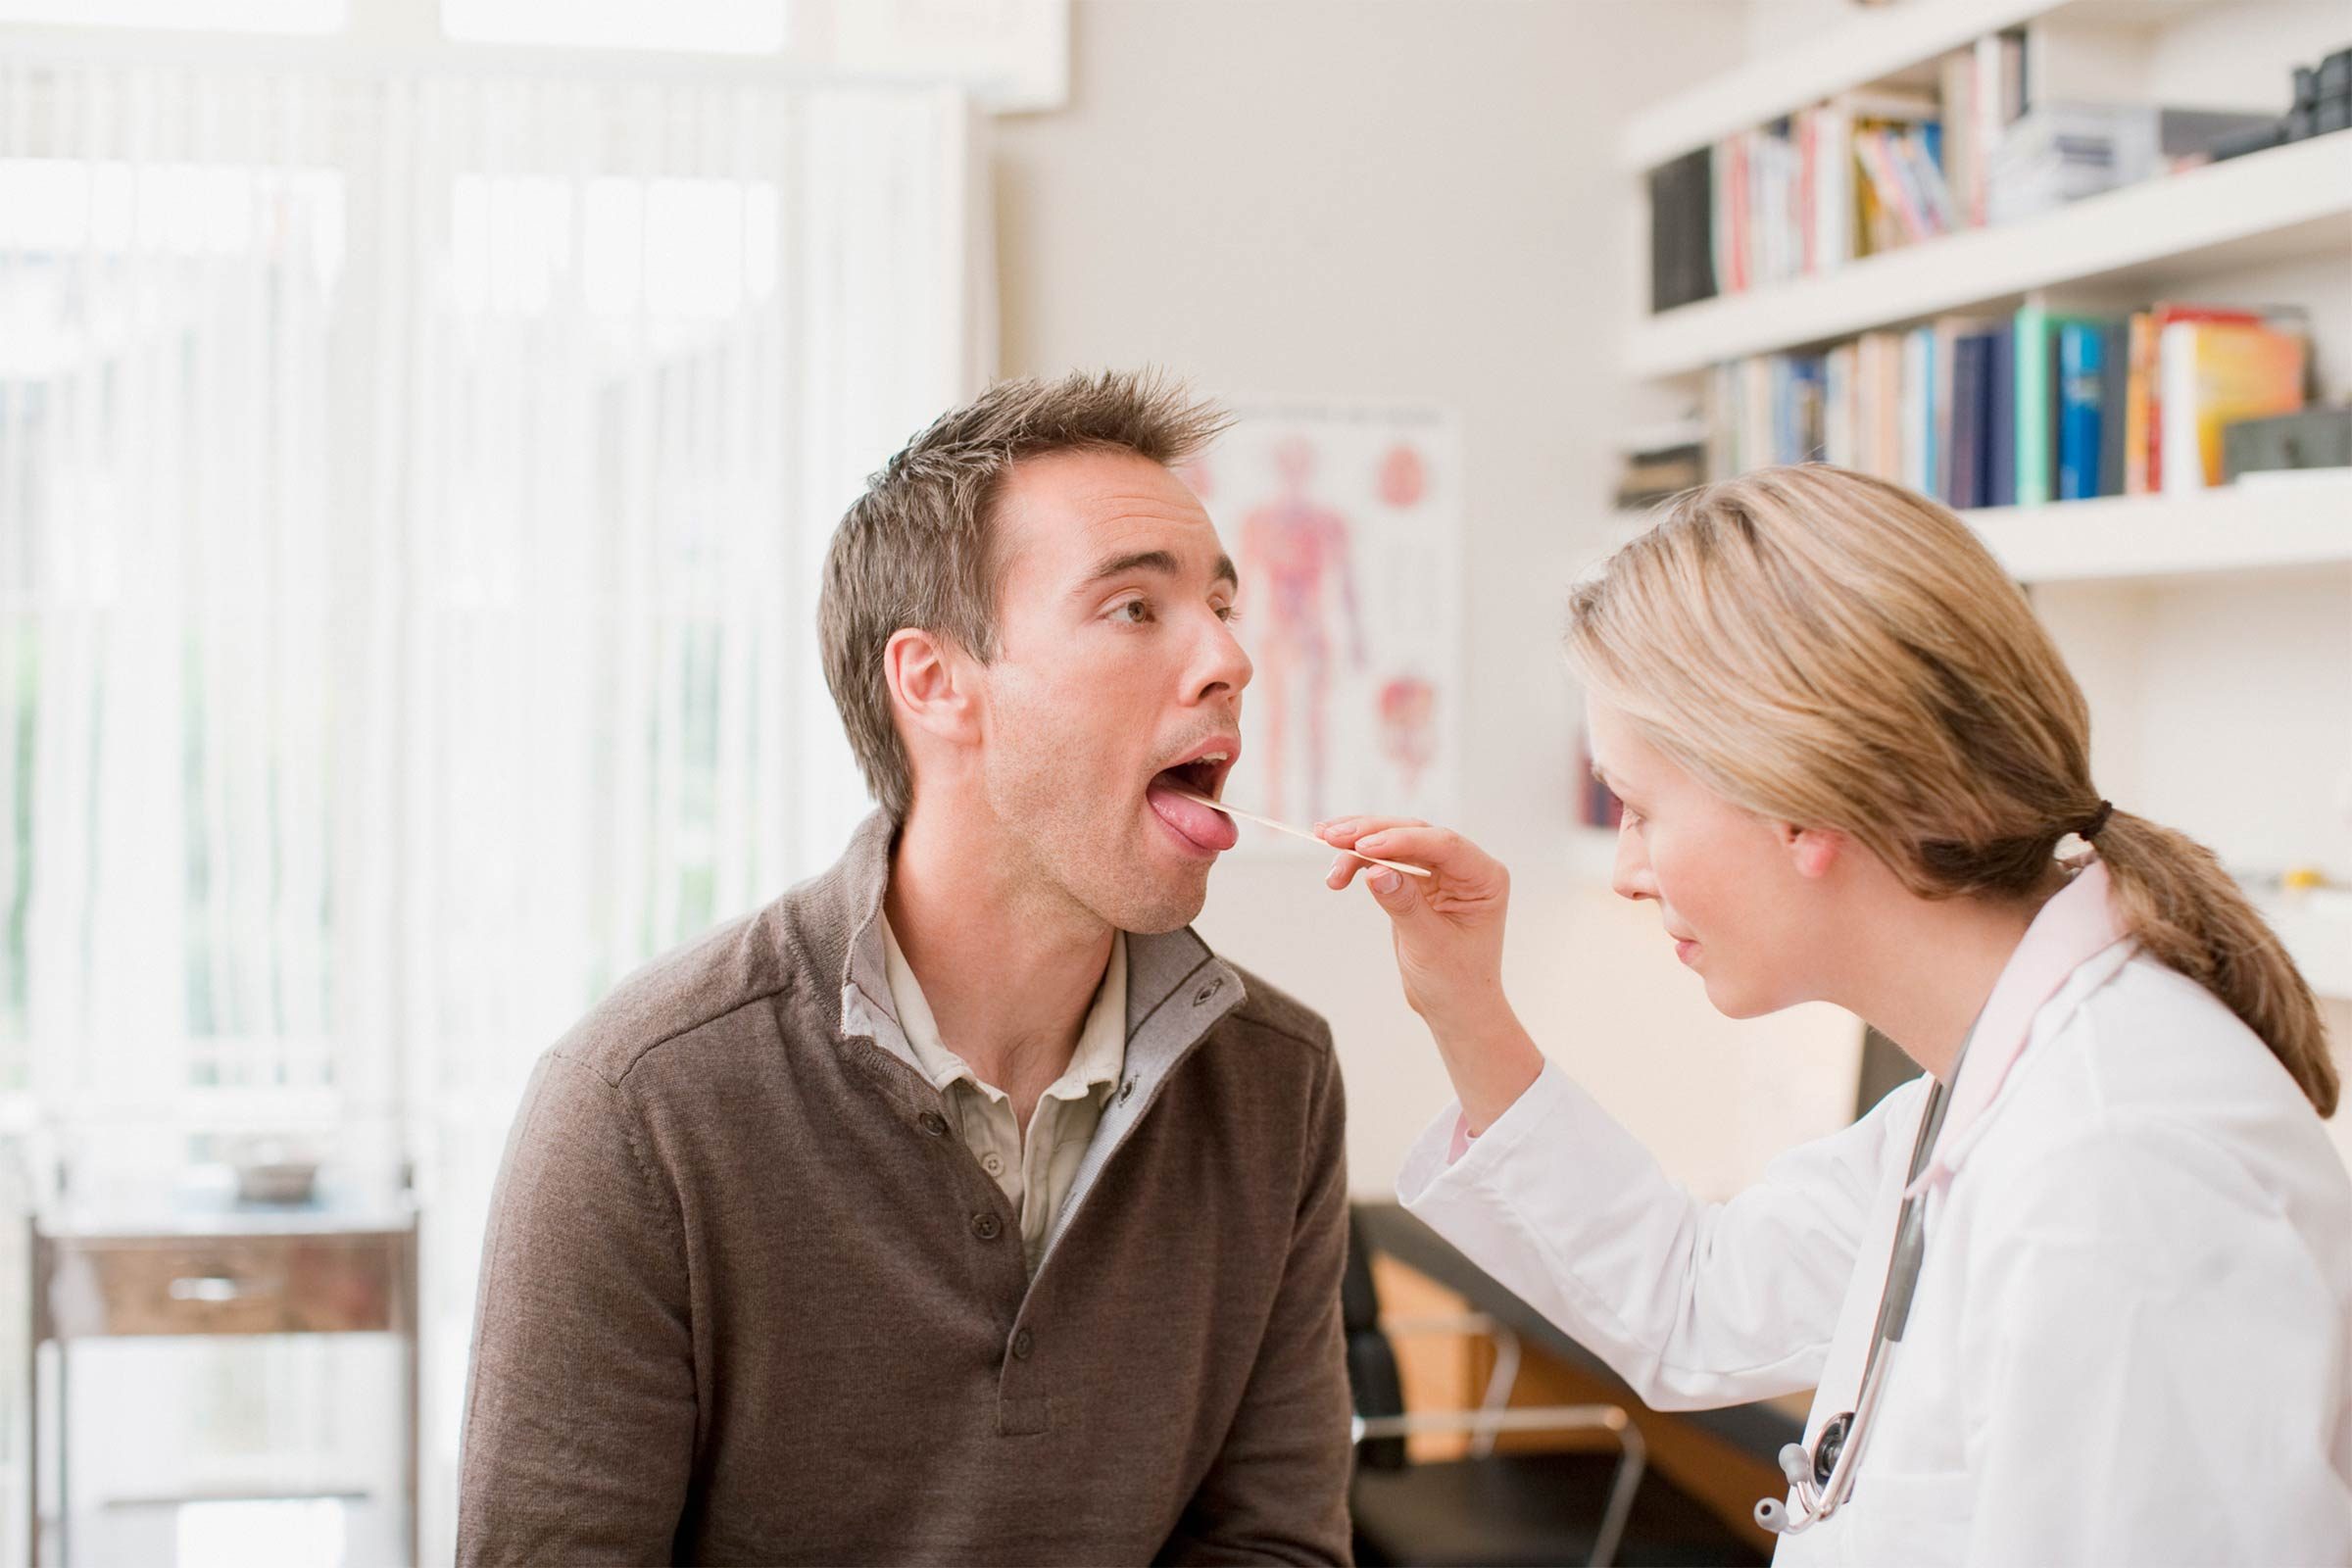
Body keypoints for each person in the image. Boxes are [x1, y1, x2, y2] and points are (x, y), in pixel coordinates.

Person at [1317, 465, 2350, 1565]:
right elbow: (1696, 1300)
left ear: (1798, 802)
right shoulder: (1984, 1098)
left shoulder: (2114, 1171)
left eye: (1639, 806)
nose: (1627, 868)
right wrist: (1464, 1002)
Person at [457, 370, 1353, 1565]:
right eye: (1137, 609)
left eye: (1224, 607)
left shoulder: (1277, 1081)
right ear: (935, 682)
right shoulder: (640, 1105)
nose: (1230, 659)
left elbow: (1276, 1545)